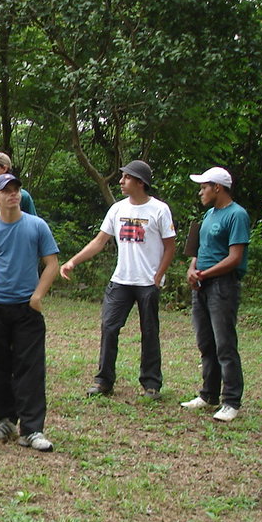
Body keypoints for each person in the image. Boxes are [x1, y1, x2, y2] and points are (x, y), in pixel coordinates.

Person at [60, 160, 176, 400]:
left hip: (147, 283)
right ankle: (104, 381)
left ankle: (151, 384)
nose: (121, 182)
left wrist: (158, 276)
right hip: (121, 280)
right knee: (109, 327)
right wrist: (73, 261)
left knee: (150, 332)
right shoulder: (117, 209)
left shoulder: (159, 210)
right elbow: (100, 241)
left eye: (126, 178)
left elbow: (170, 246)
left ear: (140, 182)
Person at [0, 174, 59, 452]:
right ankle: (3, 422)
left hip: (26, 310)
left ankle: (32, 430)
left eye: (16, 190)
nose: (12, 195)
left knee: (30, 368)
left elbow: (52, 264)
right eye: (5, 191)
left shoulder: (36, 226)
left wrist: (37, 296)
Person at [180, 167, 250, 422]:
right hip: (202, 285)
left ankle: (231, 401)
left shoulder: (237, 215)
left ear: (217, 188)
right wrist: (192, 269)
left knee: (225, 344)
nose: (201, 192)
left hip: (222, 286)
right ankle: (209, 394)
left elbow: (235, 258)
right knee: (206, 342)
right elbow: (199, 250)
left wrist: (205, 274)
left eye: (204, 187)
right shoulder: (209, 214)